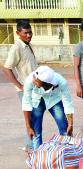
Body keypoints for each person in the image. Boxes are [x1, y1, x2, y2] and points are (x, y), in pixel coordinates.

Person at [3, 20, 38, 149]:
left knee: (34, 118)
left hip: (34, 89)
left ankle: (31, 145)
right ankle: (31, 147)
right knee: (30, 119)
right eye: (25, 33)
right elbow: (7, 68)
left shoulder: (27, 45)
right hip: (25, 91)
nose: (29, 35)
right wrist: (20, 85)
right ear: (18, 33)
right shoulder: (16, 48)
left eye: (30, 32)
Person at [22, 66, 74, 150]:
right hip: (37, 101)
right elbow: (26, 103)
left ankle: (66, 153)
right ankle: (38, 157)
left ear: (46, 84)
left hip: (54, 100)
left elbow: (68, 101)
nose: (34, 80)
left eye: (37, 82)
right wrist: (28, 126)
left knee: (65, 128)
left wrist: (70, 123)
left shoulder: (61, 81)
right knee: (35, 132)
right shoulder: (30, 80)